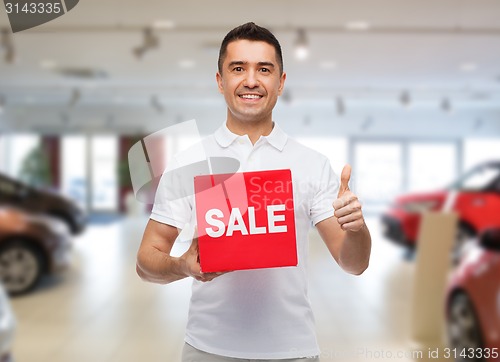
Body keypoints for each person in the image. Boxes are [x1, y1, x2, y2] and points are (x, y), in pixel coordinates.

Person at [136, 22, 371, 362]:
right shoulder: (189, 162)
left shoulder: (311, 164)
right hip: (206, 349)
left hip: (293, 351)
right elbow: (146, 262)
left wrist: (357, 228)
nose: (250, 80)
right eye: (237, 68)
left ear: (281, 82)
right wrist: (182, 265)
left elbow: (355, 264)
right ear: (220, 81)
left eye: (264, 69)